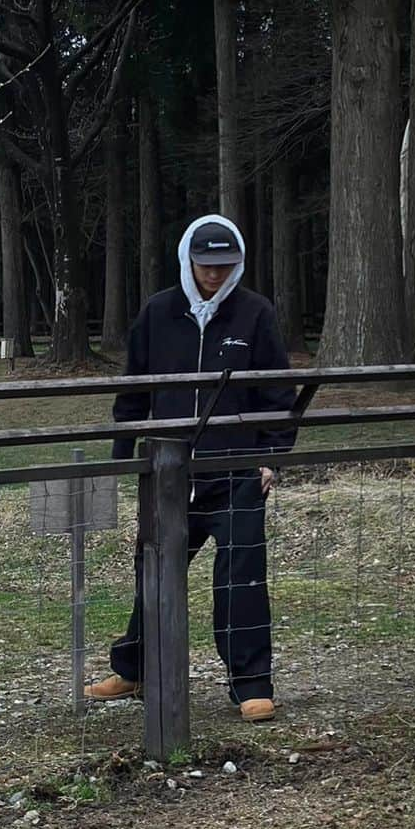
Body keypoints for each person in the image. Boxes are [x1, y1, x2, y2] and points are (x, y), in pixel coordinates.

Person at [84, 213, 296, 722]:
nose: (215, 275)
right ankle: (134, 667)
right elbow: (133, 391)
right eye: (206, 265)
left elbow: (278, 394)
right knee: (155, 570)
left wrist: (271, 454)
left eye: (225, 265)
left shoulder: (256, 315)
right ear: (188, 259)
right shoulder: (157, 313)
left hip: (236, 470)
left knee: (241, 577)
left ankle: (251, 683)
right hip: (167, 471)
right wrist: (126, 456)